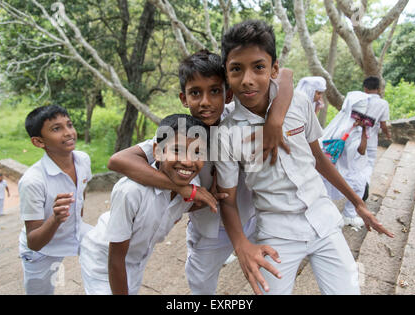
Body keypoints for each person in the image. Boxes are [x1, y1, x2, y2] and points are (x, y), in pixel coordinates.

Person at [214, 19, 394, 295]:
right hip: (277, 233)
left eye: (259, 67)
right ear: (227, 75)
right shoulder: (226, 135)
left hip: (323, 220)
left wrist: (358, 203)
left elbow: (319, 159)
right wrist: (241, 245)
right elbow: (226, 197)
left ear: (274, 69)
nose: (247, 79)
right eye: (236, 69)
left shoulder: (297, 103)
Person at [107, 49, 294, 294]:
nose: (205, 102)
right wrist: (185, 189)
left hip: (253, 218)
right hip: (209, 230)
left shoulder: (239, 118)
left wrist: (275, 120)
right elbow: (119, 160)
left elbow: (286, 75)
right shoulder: (181, 133)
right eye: (196, 93)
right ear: (184, 99)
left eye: (215, 91)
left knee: (271, 279)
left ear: (228, 94)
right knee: (202, 287)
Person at [79, 114, 214, 295]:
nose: (188, 161)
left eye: (197, 153)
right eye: (177, 150)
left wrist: (213, 198)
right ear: (157, 152)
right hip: (103, 261)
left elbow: (184, 206)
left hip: (136, 259)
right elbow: (115, 259)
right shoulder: (130, 192)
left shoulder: (192, 185)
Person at [18, 105, 92, 295]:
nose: (68, 133)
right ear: (38, 142)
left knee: (109, 248)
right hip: (42, 250)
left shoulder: (82, 160)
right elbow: (34, 241)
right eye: (56, 128)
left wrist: (78, 222)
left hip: (75, 233)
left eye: (69, 125)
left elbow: (81, 193)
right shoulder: (32, 181)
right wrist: (56, 218)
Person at [321, 88, 388, 228]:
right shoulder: (356, 127)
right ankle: (348, 215)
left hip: (334, 165)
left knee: (326, 190)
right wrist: (364, 130)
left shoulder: (340, 122)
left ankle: (328, 214)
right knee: (359, 185)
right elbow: (361, 150)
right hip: (348, 167)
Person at [362, 76, 392, 184]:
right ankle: (365, 184)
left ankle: (356, 186)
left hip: (356, 138)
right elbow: (383, 124)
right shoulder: (383, 104)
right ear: (378, 89)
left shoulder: (360, 100)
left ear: (365, 88)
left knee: (356, 163)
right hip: (371, 139)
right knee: (369, 163)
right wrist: (388, 134)